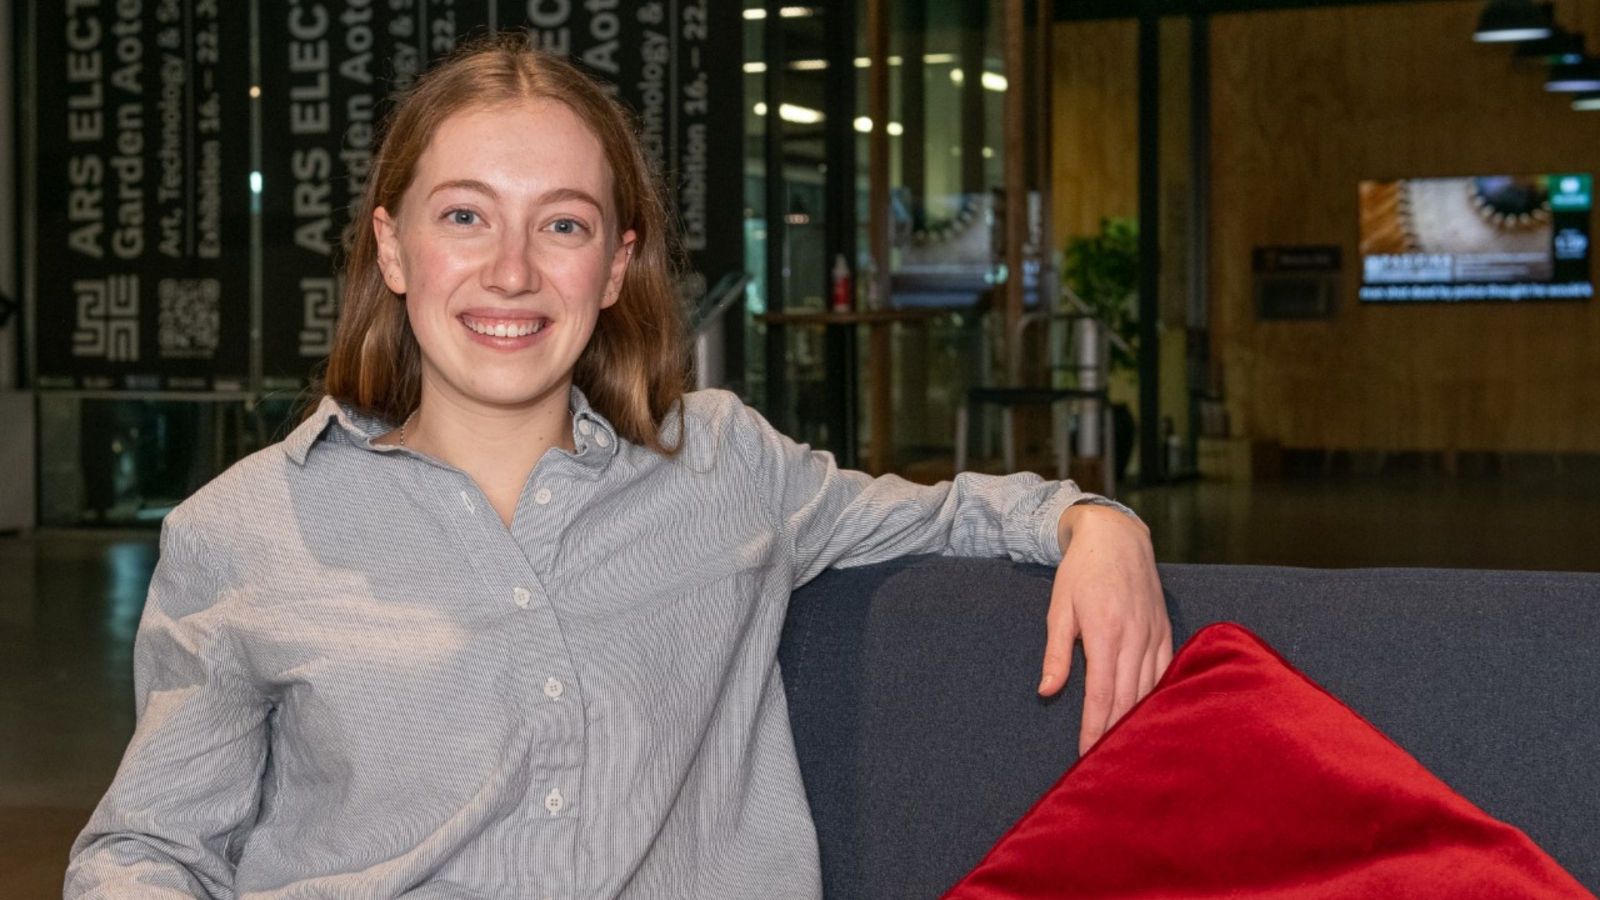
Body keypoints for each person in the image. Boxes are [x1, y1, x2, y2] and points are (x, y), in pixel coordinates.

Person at [66, 32, 1171, 899]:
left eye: (562, 226)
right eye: (464, 217)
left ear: (614, 266)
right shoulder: (243, 529)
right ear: (394, 248)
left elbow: (950, 515)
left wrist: (1095, 521)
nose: (510, 272)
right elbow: (148, 847)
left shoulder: (725, 466)